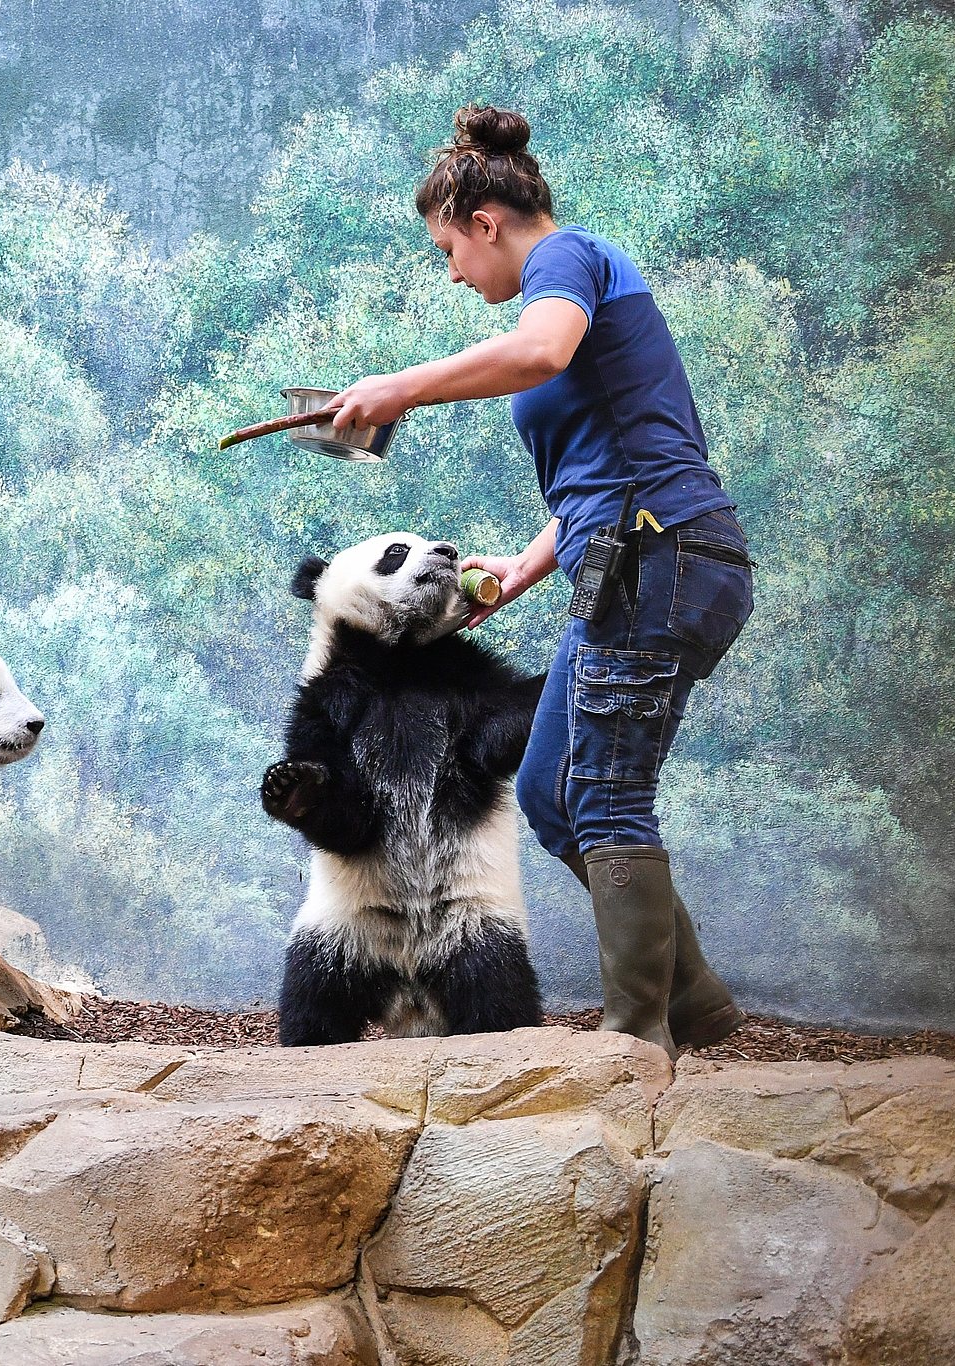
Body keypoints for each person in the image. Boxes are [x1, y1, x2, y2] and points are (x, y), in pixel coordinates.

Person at [321, 105, 753, 1059]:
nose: (453, 272)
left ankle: (634, 1045)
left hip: (662, 560)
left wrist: (405, 384)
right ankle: (697, 1001)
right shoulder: (566, 289)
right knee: (558, 797)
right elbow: (606, 461)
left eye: (449, 250)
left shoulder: (564, 264)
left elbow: (544, 352)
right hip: (629, 556)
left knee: (604, 796)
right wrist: (523, 566)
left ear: (485, 222)